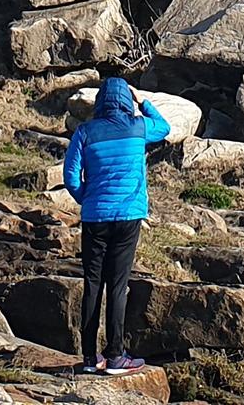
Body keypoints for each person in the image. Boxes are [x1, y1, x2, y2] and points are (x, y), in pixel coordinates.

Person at [62, 77, 170, 376]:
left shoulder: (84, 132)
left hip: (95, 217)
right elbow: (164, 127)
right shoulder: (138, 126)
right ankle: (115, 356)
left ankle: (88, 357)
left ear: (100, 103)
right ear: (125, 100)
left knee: (92, 285)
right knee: (118, 286)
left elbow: (70, 176)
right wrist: (142, 101)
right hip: (127, 216)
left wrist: (89, 198)